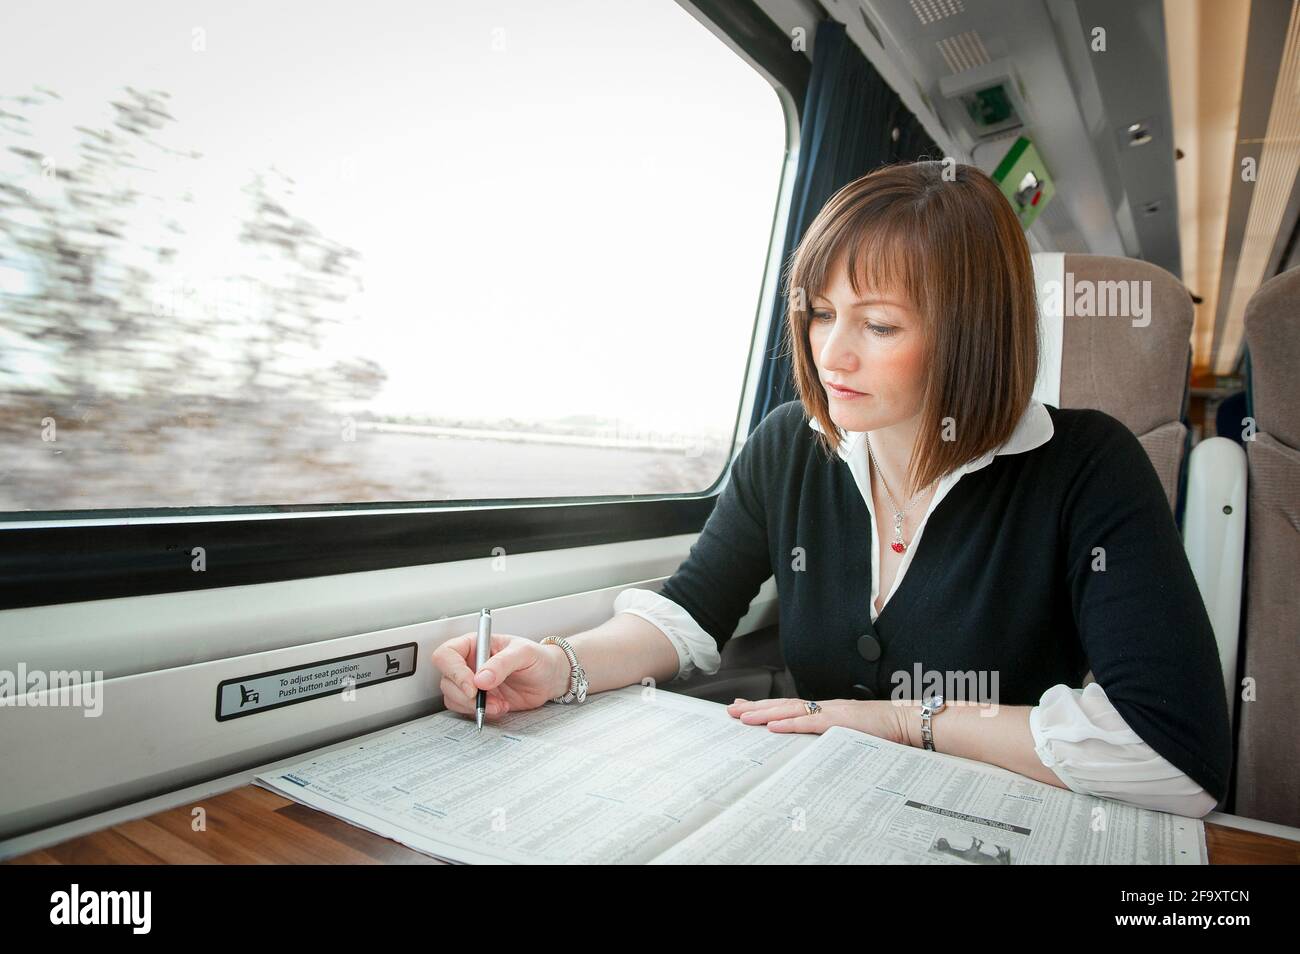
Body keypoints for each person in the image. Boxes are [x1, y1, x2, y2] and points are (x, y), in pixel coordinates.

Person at [432, 160, 1231, 818]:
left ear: (974, 334)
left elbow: (1171, 756)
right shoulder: (790, 443)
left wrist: (897, 722)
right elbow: (688, 615)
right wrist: (557, 664)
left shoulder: (1087, 464)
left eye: (879, 326)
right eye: (819, 313)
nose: (831, 354)